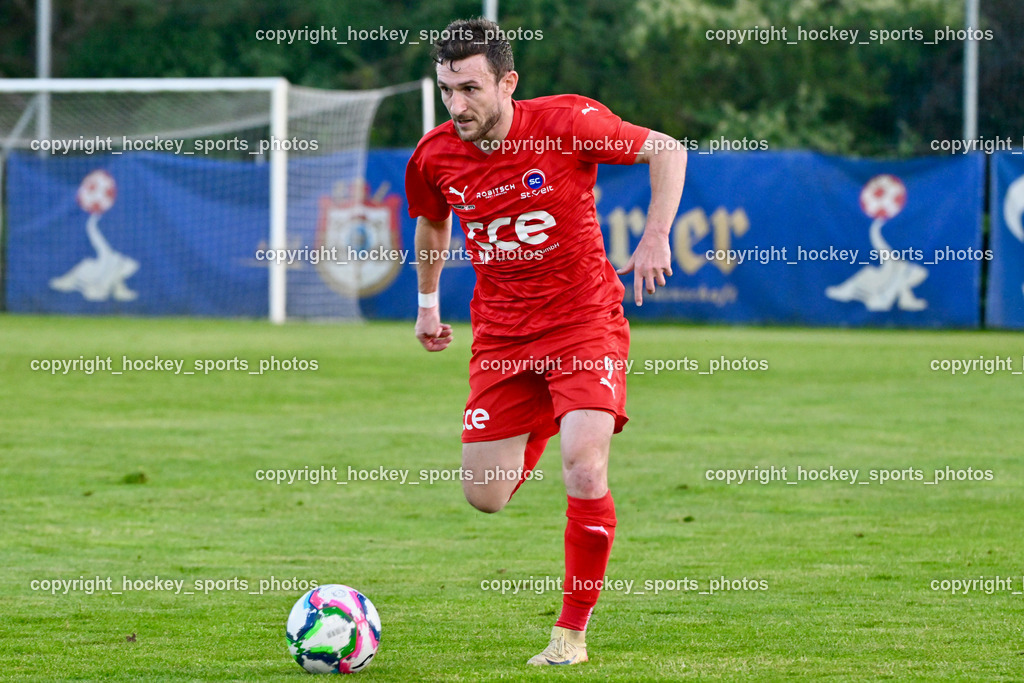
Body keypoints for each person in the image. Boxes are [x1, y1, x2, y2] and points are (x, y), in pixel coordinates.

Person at [405, 17, 687, 666]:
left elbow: (667, 149)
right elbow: (431, 225)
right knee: (485, 496)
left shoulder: (566, 122)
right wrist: (426, 304)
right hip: (502, 338)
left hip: (583, 322)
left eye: (471, 89)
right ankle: (547, 417)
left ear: (508, 82)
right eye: (447, 89)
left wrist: (655, 234)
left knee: (585, 468)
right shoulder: (435, 155)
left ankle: (570, 635)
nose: (458, 105)